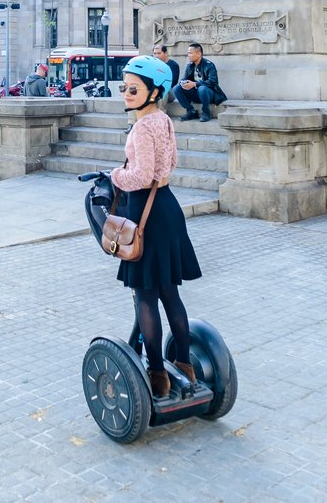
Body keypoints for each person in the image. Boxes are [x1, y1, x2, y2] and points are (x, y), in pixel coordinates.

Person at [110, 56, 203, 398]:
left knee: (146, 296)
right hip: (166, 207)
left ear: (154, 91)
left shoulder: (143, 126)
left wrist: (114, 175)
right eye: (124, 87)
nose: (126, 93)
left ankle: (158, 376)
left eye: (133, 88)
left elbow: (141, 175)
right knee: (170, 294)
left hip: (144, 212)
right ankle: (185, 365)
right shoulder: (163, 120)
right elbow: (171, 163)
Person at [174, 43, 228, 122]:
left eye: (190, 53)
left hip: (209, 94)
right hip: (196, 94)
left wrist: (195, 84)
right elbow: (184, 79)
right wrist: (184, 83)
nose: (188, 55)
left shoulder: (209, 65)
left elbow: (213, 81)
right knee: (177, 88)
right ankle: (191, 111)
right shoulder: (190, 66)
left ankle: (206, 112)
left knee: (202, 88)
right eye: (188, 53)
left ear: (199, 54)